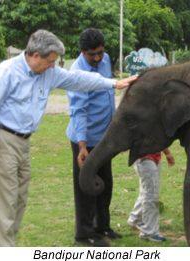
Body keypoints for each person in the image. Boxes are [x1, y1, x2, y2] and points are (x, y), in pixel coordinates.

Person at [0, 29, 138, 247]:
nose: (54, 66)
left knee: (18, 201)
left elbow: (78, 79)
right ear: (35, 55)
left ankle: (3, 247)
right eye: (51, 60)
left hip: (24, 142)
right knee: (4, 204)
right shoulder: (7, 71)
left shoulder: (48, 72)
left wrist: (113, 83)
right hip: (3, 139)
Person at [66, 28, 122, 247]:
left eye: (100, 52)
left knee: (105, 183)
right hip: (85, 138)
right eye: (92, 55)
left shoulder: (106, 59)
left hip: (105, 136)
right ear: (82, 52)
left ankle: (103, 226)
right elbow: (78, 110)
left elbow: (109, 96)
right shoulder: (75, 73)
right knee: (87, 186)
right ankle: (84, 233)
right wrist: (82, 147)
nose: (97, 58)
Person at [127, 149, 175, 242]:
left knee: (146, 191)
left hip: (155, 157)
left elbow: (159, 136)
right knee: (151, 194)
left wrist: (167, 153)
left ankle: (135, 218)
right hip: (144, 158)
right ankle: (149, 232)